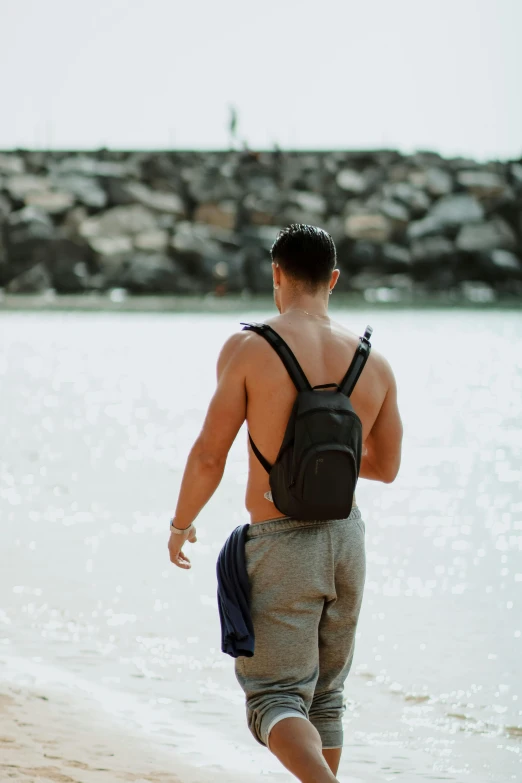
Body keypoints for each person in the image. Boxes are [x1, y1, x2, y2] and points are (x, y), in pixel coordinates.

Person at [168, 224, 403, 783]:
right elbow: (386, 467)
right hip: (347, 540)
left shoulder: (251, 347)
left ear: (277, 273)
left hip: (280, 541)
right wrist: (324, 468)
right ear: (334, 280)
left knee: (274, 697)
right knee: (326, 695)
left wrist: (181, 523)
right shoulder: (375, 361)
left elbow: (209, 455)